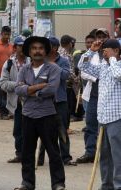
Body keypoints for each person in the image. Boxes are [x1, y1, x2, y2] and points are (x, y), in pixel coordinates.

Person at [14, 36, 65, 190]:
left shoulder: (54, 68)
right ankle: (27, 183)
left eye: (41, 48)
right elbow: (17, 89)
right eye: (34, 48)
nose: (37, 51)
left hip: (47, 115)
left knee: (53, 152)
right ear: (29, 52)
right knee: (27, 152)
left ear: (45, 51)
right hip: (28, 115)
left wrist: (28, 89)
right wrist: (36, 87)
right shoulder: (24, 69)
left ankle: (58, 184)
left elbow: (51, 89)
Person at [78, 38, 121, 190]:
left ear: (116, 51)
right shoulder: (103, 67)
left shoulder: (118, 65)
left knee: (118, 156)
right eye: (103, 51)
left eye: (106, 50)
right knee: (104, 156)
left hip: (117, 118)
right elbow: (82, 66)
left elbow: (118, 75)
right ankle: (106, 185)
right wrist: (91, 51)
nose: (104, 53)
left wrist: (114, 58)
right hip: (102, 118)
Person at [38, 37, 76, 166]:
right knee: (43, 130)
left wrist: (54, 67)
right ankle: (40, 158)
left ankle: (65, 157)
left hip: (60, 100)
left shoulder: (63, 61)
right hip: (45, 100)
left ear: (54, 48)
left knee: (62, 130)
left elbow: (66, 76)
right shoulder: (41, 61)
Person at [76, 29, 109, 164]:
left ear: (108, 37)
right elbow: (83, 71)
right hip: (93, 95)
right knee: (90, 125)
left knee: (107, 127)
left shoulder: (114, 52)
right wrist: (98, 78)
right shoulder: (91, 53)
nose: (101, 39)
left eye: (103, 36)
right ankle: (90, 152)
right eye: (99, 36)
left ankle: (107, 155)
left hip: (109, 97)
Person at [0, 36, 27, 163]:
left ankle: (30, 154)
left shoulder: (32, 62)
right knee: (18, 130)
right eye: (20, 46)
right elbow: (3, 83)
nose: (23, 48)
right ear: (15, 48)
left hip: (31, 102)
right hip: (17, 103)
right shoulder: (9, 63)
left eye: (24, 45)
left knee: (32, 129)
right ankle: (20, 154)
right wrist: (18, 85)